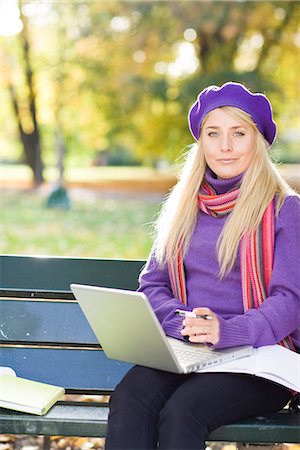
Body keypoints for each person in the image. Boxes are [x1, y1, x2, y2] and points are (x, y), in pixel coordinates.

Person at [105, 82, 300, 450]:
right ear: (202, 142)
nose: (225, 146)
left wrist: (226, 331)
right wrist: (186, 323)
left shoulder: (285, 210)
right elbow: (152, 286)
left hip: (259, 357)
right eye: (214, 134)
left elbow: (289, 303)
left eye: (238, 133)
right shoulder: (184, 207)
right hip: (188, 349)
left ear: (257, 141)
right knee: (132, 397)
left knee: (183, 411)